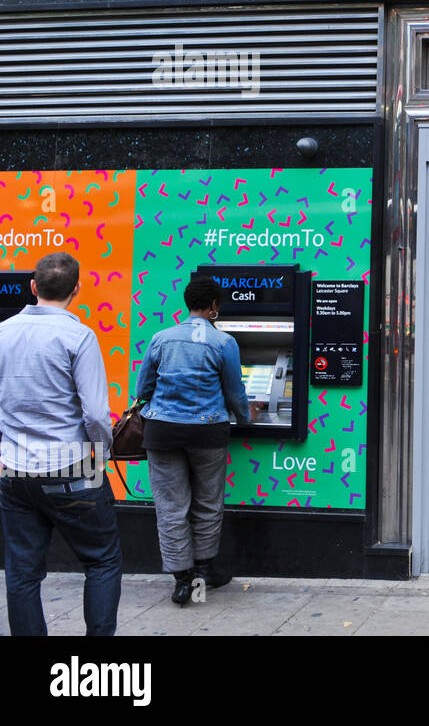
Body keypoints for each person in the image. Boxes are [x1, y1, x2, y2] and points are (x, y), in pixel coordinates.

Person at [0, 251, 122, 636]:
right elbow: (96, 415)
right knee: (102, 561)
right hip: (73, 466)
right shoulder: (79, 336)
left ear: (33, 287)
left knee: (21, 573)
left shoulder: (2, 332)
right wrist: (101, 454)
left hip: (13, 469)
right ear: (77, 290)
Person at [134, 275, 257, 606]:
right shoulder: (223, 342)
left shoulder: (162, 338)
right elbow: (235, 391)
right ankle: (204, 573)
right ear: (214, 306)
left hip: (162, 433)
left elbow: (142, 389)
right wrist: (247, 416)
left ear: (187, 304)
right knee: (207, 503)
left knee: (171, 506)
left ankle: (181, 580)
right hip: (207, 432)